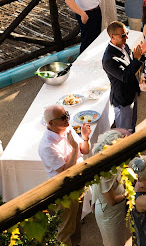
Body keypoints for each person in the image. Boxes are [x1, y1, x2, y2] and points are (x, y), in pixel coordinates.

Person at [38, 104, 90, 246]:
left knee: (76, 222)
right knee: (65, 229)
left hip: (79, 182)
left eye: (66, 114)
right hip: (65, 191)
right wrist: (74, 148)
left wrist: (85, 138)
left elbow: (84, 150)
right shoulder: (47, 146)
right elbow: (66, 172)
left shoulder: (66, 128)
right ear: (51, 123)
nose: (67, 118)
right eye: (63, 117)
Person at [102, 21, 146, 131]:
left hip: (131, 93)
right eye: (123, 35)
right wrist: (137, 59)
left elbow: (131, 67)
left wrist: (141, 55)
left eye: (127, 33)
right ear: (112, 36)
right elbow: (126, 77)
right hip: (122, 100)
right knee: (124, 133)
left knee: (132, 126)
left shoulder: (124, 46)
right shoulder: (109, 60)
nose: (127, 37)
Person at [90, 129, 130, 246]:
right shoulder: (105, 173)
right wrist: (128, 194)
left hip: (118, 208)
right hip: (110, 213)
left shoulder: (112, 163)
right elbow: (112, 201)